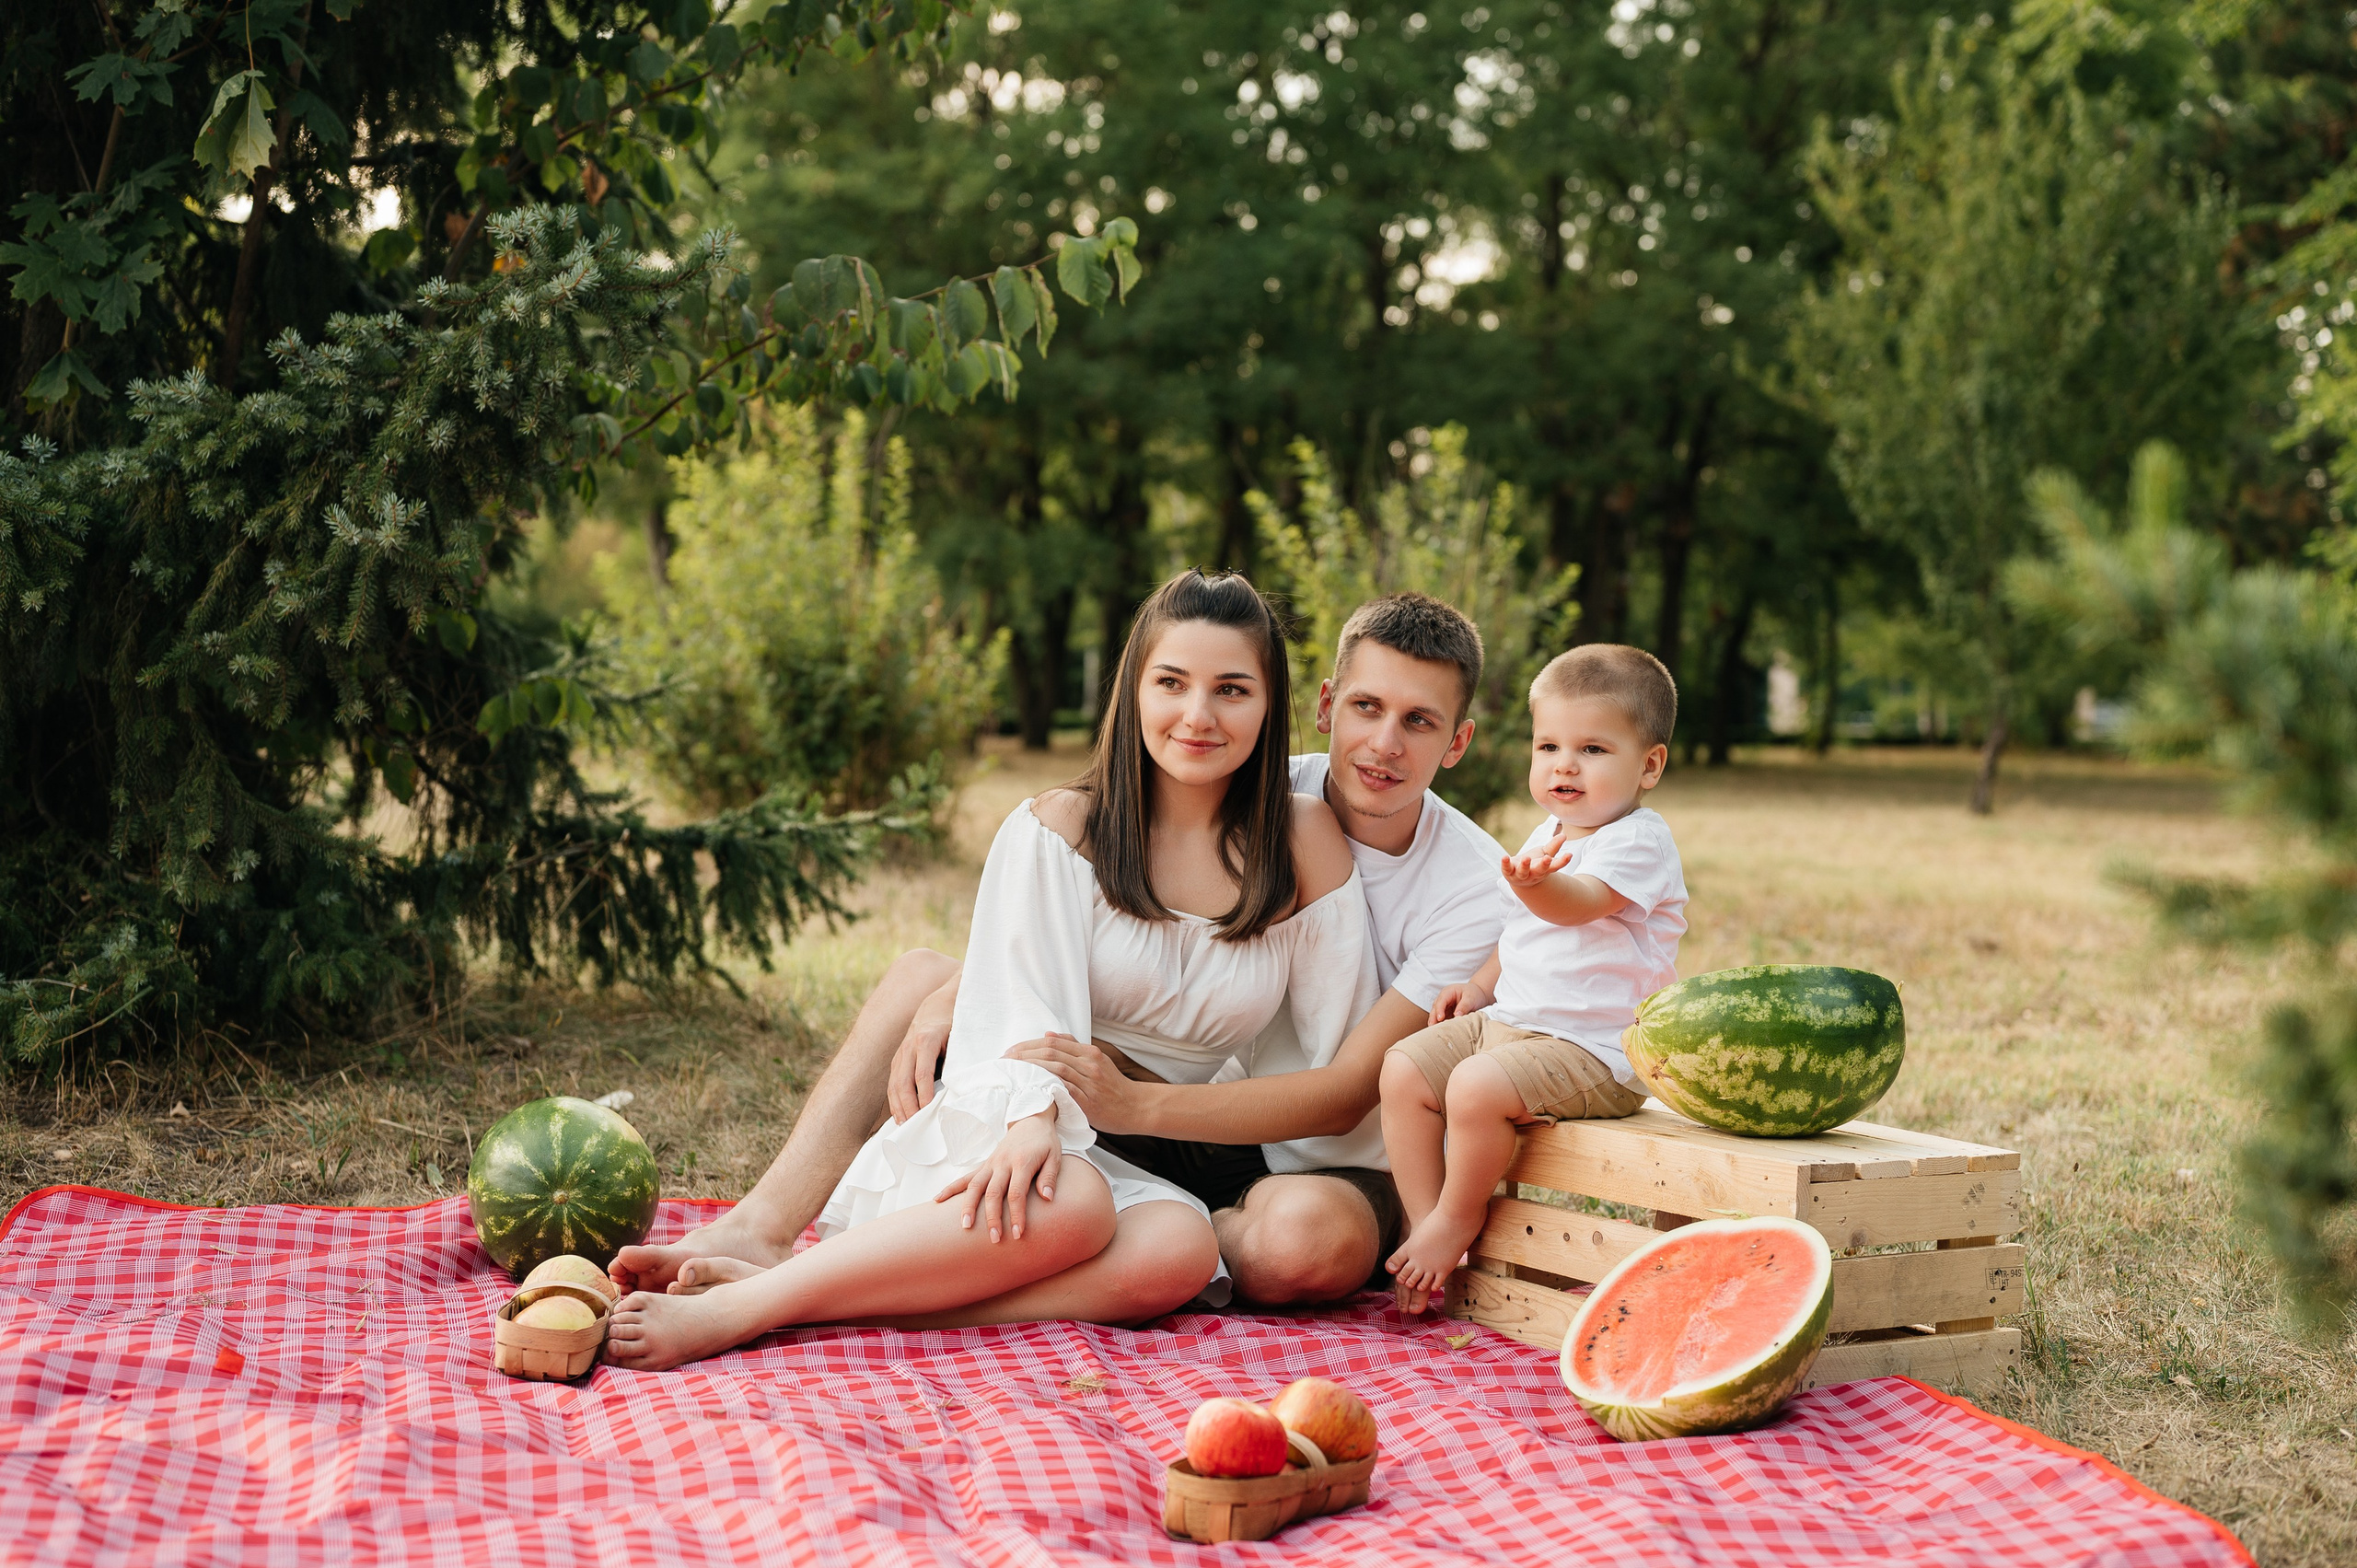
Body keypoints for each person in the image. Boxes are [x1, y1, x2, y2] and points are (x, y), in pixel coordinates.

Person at [610, 593, 1508, 1309]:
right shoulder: (1244, 778)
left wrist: (1133, 1102)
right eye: (1364, 708)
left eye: (1419, 721)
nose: (1382, 743)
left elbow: (1344, 1087)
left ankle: (1156, 1252)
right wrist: (972, 993)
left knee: (1281, 1242)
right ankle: (764, 1225)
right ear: (1320, 708)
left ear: (1456, 740)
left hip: (1274, 1135)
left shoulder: (1416, 867)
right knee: (928, 976)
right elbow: (1050, 913)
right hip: (1129, 1092)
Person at [1380, 645, 1689, 1313]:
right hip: (1513, 1021)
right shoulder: (1550, 830)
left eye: (1593, 749)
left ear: (1650, 765)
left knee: (1473, 1085)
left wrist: (1539, 883)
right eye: (1547, 745)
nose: (1564, 764)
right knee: (1403, 1068)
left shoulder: (1638, 841)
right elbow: (1526, 932)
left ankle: (1458, 1218)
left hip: (1596, 1051)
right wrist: (1481, 985)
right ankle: (1424, 1215)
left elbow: (1575, 905)